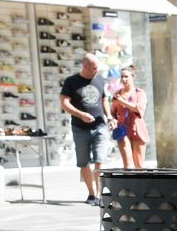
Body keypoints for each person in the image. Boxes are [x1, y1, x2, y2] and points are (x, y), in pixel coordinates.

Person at [60, 53, 114, 205]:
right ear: (85, 66)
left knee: (100, 160)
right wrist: (81, 114)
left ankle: (100, 195)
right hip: (80, 128)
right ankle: (92, 194)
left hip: (99, 125)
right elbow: (64, 103)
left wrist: (109, 116)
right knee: (84, 163)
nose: (96, 71)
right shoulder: (71, 81)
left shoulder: (99, 80)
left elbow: (104, 99)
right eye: (94, 68)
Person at [110, 66, 149, 170]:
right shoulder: (117, 94)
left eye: (126, 76)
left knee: (139, 166)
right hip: (123, 129)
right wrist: (112, 120)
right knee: (128, 165)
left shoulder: (139, 93)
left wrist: (122, 101)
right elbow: (112, 112)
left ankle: (140, 186)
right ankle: (128, 186)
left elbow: (139, 109)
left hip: (138, 129)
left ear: (133, 77)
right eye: (122, 77)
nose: (124, 79)